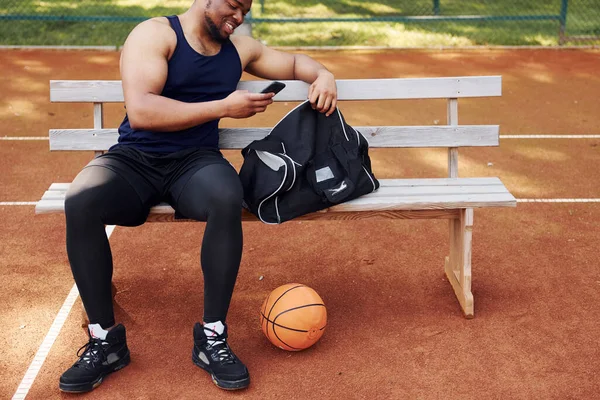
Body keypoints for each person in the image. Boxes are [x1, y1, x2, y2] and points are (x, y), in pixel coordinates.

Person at [58, 0, 337, 393]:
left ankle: (212, 336)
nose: (239, 17)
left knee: (227, 194)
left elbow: (292, 63)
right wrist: (223, 107)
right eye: (234, 6)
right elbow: (142, 111)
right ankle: (105, 341)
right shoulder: (155, 34)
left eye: (245, 10)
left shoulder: (240, 49)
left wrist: (323, 74)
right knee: (82, 200)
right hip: (136, 158)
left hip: (195, 163)